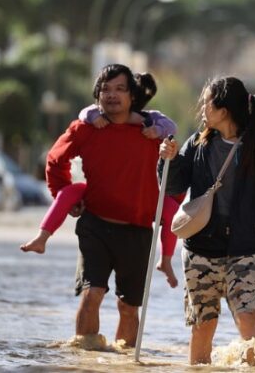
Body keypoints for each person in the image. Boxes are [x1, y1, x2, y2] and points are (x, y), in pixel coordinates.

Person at [44, 64, 183, 346]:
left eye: (120, 89)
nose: (112, 95)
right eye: (105, 89)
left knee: (128, 308)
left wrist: (171, 151)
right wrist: (65, 195)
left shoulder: (151, 132)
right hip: (95, 225)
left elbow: (177, 177)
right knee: (92, 293)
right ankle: (85, 359)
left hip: (139, 231)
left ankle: (121, 366)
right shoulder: (86, 128)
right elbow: (56, 160)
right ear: (97, 95)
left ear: (132, 96)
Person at [159, 76, 255, 365]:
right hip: (199, 251)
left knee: (247, 321)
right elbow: (173, 186)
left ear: (224, 110)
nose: (202, 107)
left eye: (206, 101)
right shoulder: (198, 142)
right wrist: (167, 161)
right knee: (202, 325)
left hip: (244, 251)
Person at [20, 95, 181, 287]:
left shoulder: (149, 119)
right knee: (70, 191)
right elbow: (84, 113)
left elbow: (171, 127)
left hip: (142, 197)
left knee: (171, 209)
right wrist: (94, 116)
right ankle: (42, 237)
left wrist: (157, 130)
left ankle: (166, 260)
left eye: (125, 92)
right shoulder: (99, 116)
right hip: (100, 193)